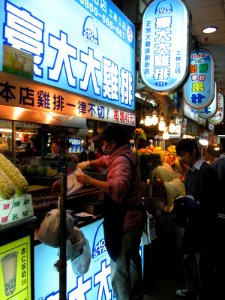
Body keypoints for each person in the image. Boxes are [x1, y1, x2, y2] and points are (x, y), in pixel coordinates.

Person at [76, 123, 146, 300]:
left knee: (120, 268)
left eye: (104, 143)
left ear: (113, 143)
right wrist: (88, 163)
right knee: (132, 260)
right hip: (134, 219)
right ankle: (136, 294)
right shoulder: (124, 154)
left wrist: (88, 180)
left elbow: (117, 187)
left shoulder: (121, 161)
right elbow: (105, 160)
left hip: (125, 222)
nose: (103, 147)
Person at [175, 139, 221, 299]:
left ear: (194, 151)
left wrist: (199, 204)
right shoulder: (190, 173)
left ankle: (203, 293)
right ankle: (192, 287)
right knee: (187, 257)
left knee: (202, 262)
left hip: (205, 224)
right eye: (180, 155)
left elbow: (216, 200)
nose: (182, 158)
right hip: (192, 222)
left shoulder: (208, 171)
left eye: (183, 154)